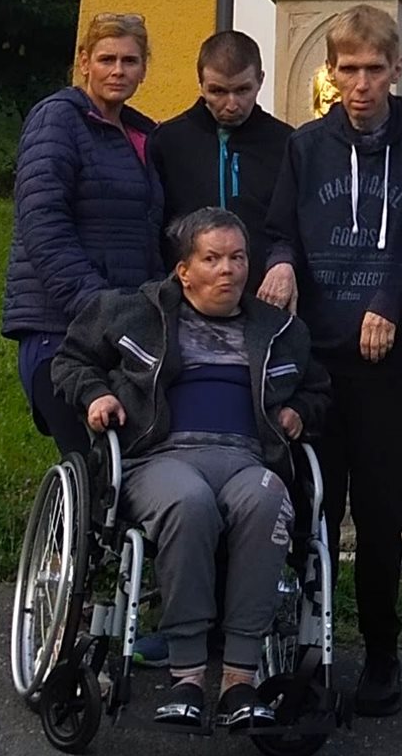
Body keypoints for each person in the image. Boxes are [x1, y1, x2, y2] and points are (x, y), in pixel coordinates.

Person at [258, 3, 402, 716]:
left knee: (381, 516)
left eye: (375, 69)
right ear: (331, 72)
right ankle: (307, 648)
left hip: (385, 360)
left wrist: (392, 297)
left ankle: (381, 650)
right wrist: (281, 262)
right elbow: (281, 227)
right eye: (349, 69)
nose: (362, 84)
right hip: (317, 362)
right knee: (313, 508)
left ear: (396, 69)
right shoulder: (307, 146)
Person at [52, 206, 329, 729]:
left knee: (270, 500)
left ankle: (240, 679)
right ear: (184, 270)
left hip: (247, 459)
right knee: (190, 503)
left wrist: (300, 410)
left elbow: (318, 389)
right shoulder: (133, 313)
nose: (229, 270)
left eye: (238, 258)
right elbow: (70, 360)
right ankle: (187, 675)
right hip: (159, 458)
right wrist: (95, 395)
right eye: (213, 259)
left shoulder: (279, 331)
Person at [2, 11, 164, 458]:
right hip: (61, 330)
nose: (118, 71)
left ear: (144, 68)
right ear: (84, 61)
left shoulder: (144, 135)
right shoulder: (57, 121)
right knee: (92, 463)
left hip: (125, 333)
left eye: (130, 61)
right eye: (107, 59)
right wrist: (99, 308)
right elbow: (43, 226)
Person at [151, 29, 290, 251]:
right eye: (218, 91)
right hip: (184, 271)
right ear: (200, 84)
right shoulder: (167, 142)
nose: (231, 104)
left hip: (262, 272)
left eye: (243, 90)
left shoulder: (286, 144)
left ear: (260, 80)